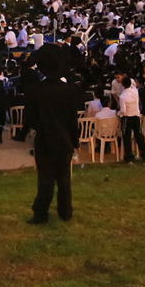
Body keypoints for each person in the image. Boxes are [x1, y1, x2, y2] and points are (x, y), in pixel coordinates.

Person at [25, 45, 83, 223]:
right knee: (64, 179)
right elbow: (73, 119)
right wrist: (75, 141)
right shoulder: (70, 90)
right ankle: (65, 211)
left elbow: (31, 119)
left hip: (45, 140)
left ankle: (41, 213)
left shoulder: (36, 90)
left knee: (46, 179)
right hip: (65, 140)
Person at [117, 74, 145, 164]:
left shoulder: (122, 96)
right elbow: (132, 83)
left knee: (126, 137)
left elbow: (123, 110)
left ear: (123, 85)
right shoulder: (135, 91)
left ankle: (129, 157)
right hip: (136, 116)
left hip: (127, 118)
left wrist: (118, 113)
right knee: (139, 136)